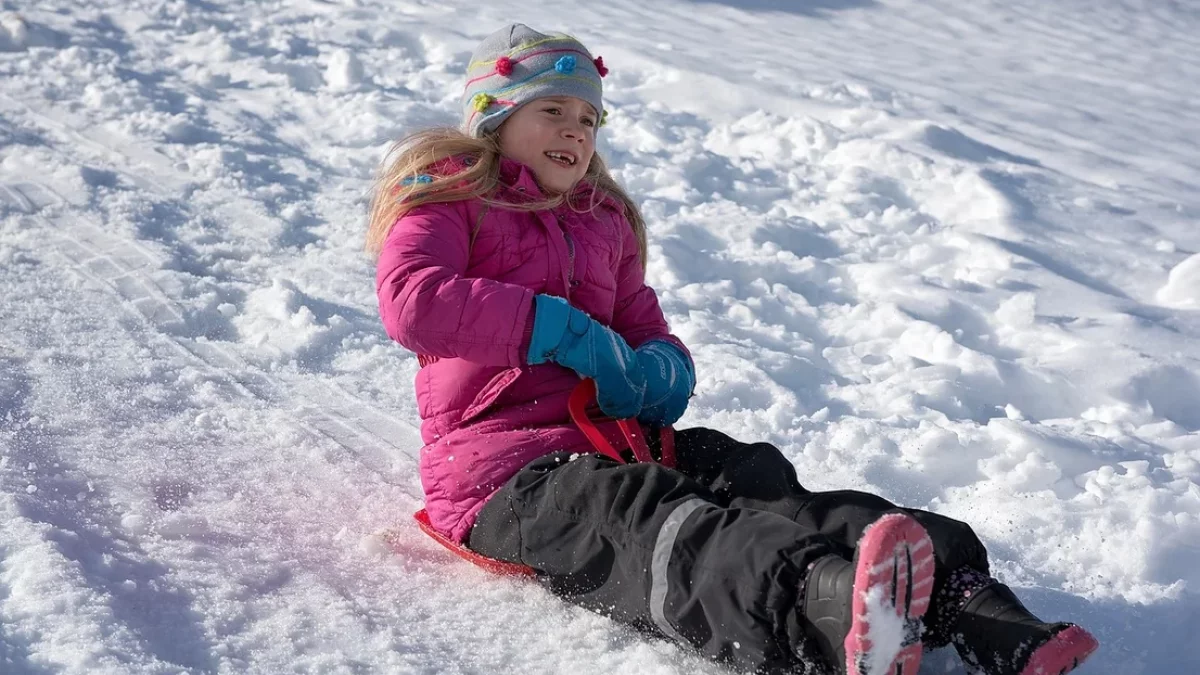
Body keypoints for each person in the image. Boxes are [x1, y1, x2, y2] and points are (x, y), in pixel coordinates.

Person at [368, 23, 1099, 675]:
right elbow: (412, 299)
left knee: (752, 474)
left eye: (589, 117)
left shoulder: (604, 223)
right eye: (552, 108)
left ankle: (972, 607)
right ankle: (828, 605)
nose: (576, 129)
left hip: (619, 440)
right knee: (641, 513)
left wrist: (659, 372)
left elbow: (643, 324)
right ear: (496, 117)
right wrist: (558, 327)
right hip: (504, 474)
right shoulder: (454, 197)